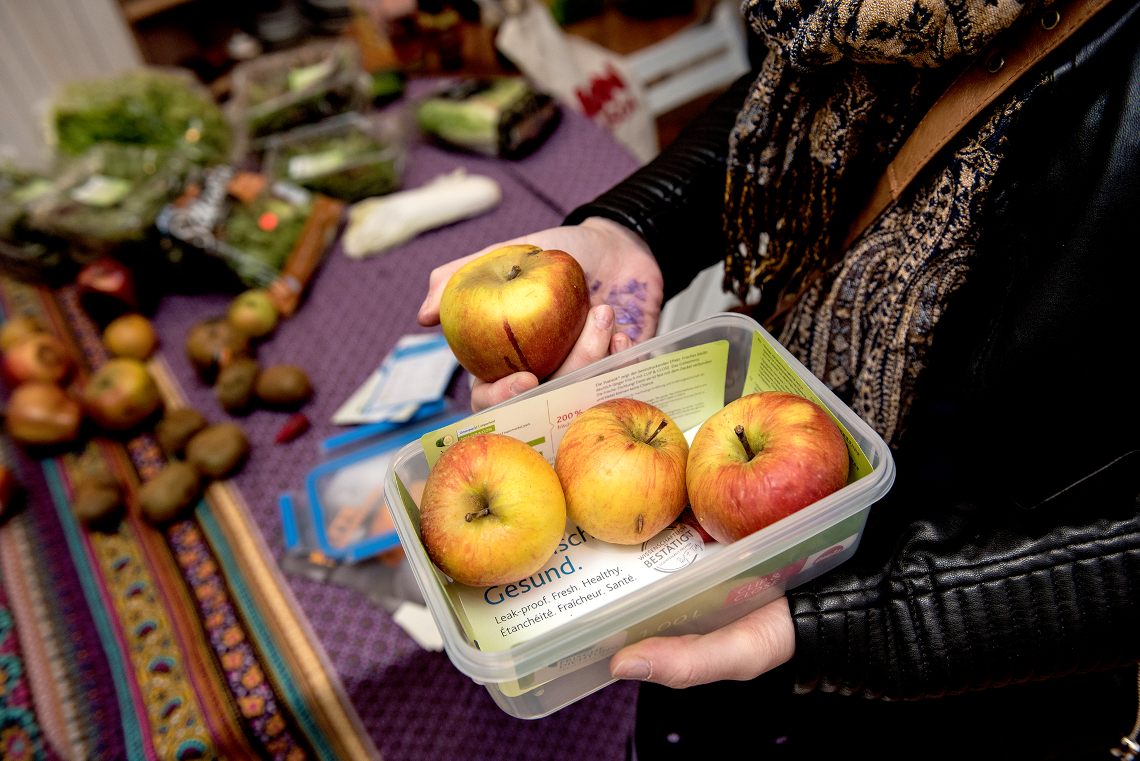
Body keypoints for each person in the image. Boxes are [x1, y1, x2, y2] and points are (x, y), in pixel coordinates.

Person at [417, 0, 1140, 757]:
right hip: (771, 488)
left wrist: (869, 620)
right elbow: (804, 73)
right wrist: (633, 227)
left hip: (979, 651)